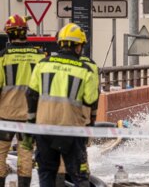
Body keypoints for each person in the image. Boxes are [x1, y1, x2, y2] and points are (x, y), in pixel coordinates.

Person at [26, 23, 99, 186]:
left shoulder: (42, 64)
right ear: (78, 47)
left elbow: (31, 95)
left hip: (44, 129)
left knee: (46, 173)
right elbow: (90, 100)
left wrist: (31, 122)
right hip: (71, 129)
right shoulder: (86, 70)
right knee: (79, 176)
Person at [0, 14, 46, 187]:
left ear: (10, 35)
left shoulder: (3, 57)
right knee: (26, 153)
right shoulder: (40, 56)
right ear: (25, 33)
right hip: (30, 115)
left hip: (5, 115)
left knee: (0, 153)